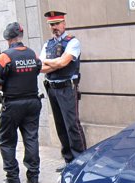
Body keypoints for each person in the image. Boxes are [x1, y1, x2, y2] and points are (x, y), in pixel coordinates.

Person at [0, 22, 42, 183]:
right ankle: (33, 176)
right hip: (33, 102)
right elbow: (38, 69)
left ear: (8, 39)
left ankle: (13, 178)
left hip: (13, 104)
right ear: (20, 36)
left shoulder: (5, 56)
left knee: (6, 140)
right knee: (31, 138)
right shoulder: (32, 53)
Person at [40, 11, 87, 172]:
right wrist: (55, 63)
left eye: (57, 24)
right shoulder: (47, 44)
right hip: (52, 88)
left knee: (72, 125)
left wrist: (52, 63)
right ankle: (68, 160)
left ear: (64, 24)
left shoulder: (72, 42)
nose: (54, 27)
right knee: (60, 125)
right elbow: (40, 67)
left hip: (67, 87)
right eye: (52, 25)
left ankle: (80, 161)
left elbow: (64, 62)